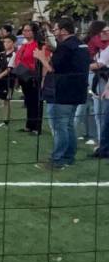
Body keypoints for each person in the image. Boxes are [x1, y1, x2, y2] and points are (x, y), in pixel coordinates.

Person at [35, 17, 90, 170]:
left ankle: (57, 160)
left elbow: (53, 69)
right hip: (78, 91)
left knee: (60, 126)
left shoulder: (65, 46)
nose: (54, 32)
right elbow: (69, 63)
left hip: (64, 91)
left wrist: (41, 58)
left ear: (64, 31)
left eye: (56, 29)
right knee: (69, 125)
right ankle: (68, 157)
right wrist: (54, 50)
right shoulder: (81, 44)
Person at [14, 22, 46, 135]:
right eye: (24, 30)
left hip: (33, 77)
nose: (25, 32)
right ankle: (29, 125)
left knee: (35, 101)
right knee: (28, 101)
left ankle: (36, 127)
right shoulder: (24, 45)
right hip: (23, 76)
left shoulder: (38, 45)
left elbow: (38, 61)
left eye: (28, 30)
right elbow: (18, 58)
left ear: (34, 32)